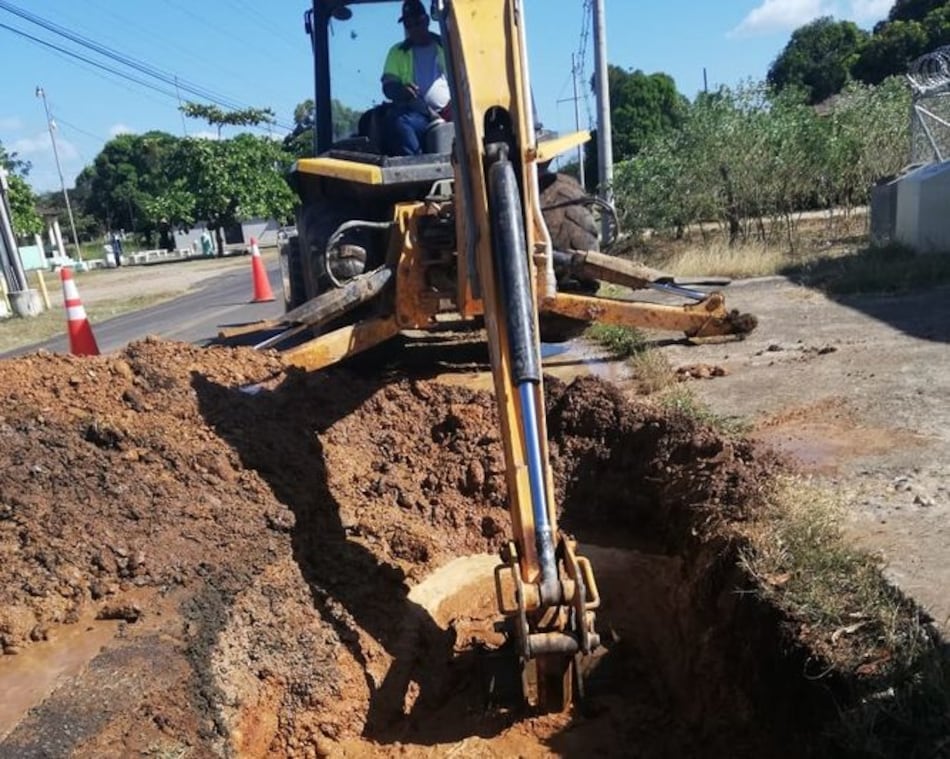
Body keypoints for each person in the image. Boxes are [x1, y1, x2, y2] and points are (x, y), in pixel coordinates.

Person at [380, 0, 452, 156]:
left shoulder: (447, 45)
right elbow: (388, 86)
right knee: (400, 122)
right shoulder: (397, 52)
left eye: (417, 23)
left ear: (426, 20)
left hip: (451, 113)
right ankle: (417, 166)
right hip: (419, 116)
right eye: (408, 24)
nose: (413, 29)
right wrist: (401, 91)